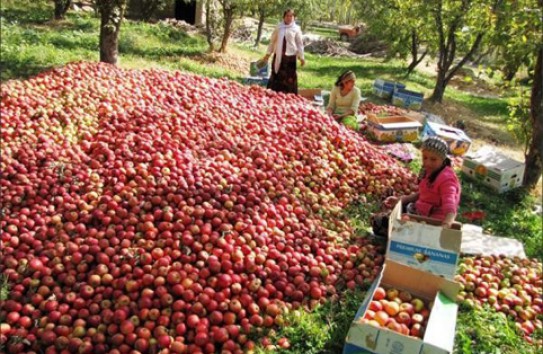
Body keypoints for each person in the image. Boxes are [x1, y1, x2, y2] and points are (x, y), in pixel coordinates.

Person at [371, 136, 461, 236]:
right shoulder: (429, 171)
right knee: (387, 214)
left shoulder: (447, 180)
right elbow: (423, 193)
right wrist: (401, 200)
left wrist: (445, 226)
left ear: (443, 160)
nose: (427, 162)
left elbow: (450, 205)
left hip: (433, 221)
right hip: (419, 212)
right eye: (425, 157)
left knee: (380, 223)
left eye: (433, 159)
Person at [260, 9, 305, 94]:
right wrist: (268, 54)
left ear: (294, 17)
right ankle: (273, 94)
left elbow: (299, 44)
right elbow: (272, 41)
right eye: (287, 16)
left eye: (291, 16)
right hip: (279, 56)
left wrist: (301, 57)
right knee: (276, 75)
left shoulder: (296, 28)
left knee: (289, 78)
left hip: (290, 58)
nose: (289, 18)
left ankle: (289, 96)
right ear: (284, 17)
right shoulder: (279, 27)